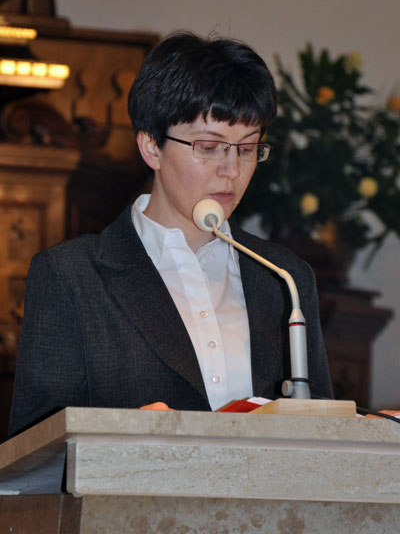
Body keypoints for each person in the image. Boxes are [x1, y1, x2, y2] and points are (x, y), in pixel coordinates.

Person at [8, 33, 332, 436]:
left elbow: (325, 434)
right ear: (151, 147)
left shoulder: (284, 278)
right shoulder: (71, 275)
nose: (232, 170)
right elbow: (34, 450)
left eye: (247, 149)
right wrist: (121, 437)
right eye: (209, 147)